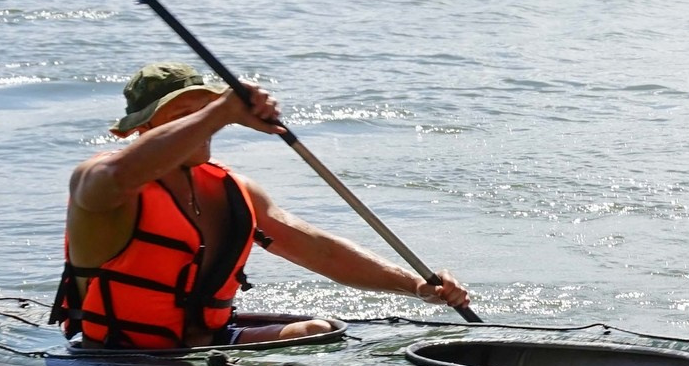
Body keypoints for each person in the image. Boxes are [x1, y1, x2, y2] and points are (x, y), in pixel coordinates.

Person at [55, 63, 472, 348]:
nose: (205, 125)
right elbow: (116, 177)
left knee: (317, 330)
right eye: (185, 116)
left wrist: (415, 285)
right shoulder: (100, 183)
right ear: (141, 130)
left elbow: (320, 250)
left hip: (211, 344)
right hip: (116, 355)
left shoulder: (233, 189)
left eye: (207, 110)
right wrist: (221, 110)